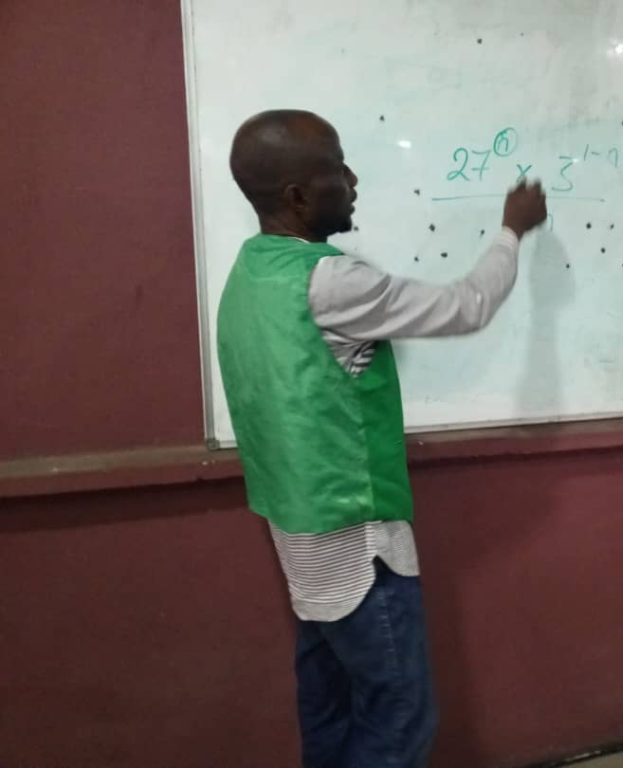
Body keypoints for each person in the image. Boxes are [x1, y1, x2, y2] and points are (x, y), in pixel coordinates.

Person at [216, 109, 548, 768]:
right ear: (298, 196)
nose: (352, 180)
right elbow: (467, 305)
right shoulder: (330, 282)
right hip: (357, 547)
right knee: (399, 718)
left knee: (330, 701)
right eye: (336, 169)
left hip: (301, 540)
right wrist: (512, 229)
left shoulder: (250, 271)